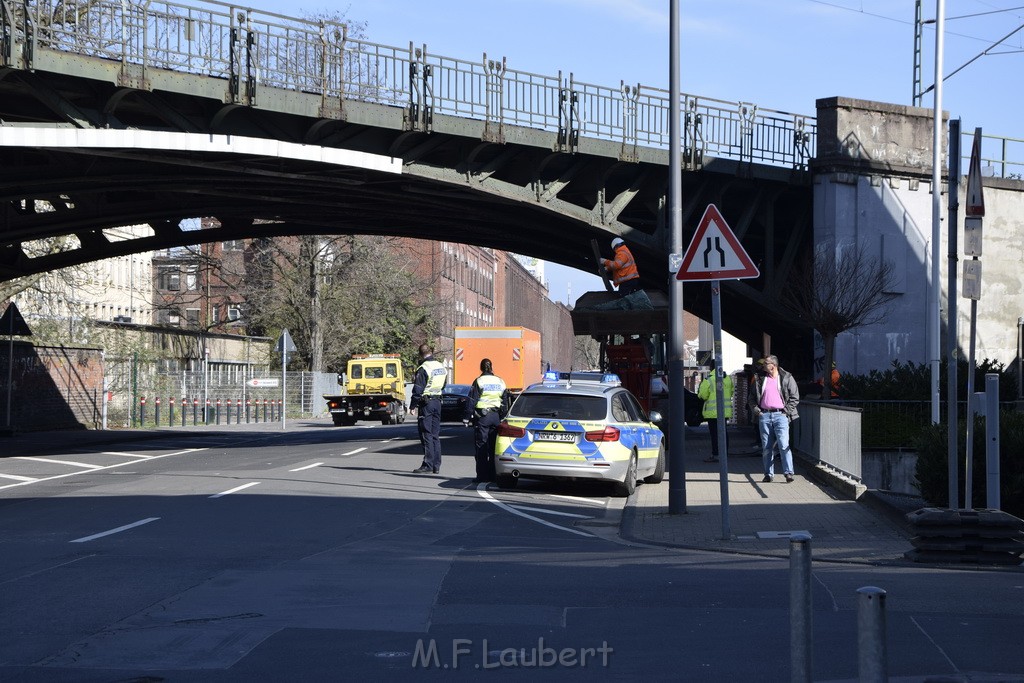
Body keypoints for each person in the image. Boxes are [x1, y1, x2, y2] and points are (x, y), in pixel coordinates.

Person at [747, 354, 800, 483]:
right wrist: (757, 411)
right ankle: (768, 474)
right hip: (764, 415)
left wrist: (785, 412)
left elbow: (795, 397)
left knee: (783, 444)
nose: (763, 365)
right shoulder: (759, 378)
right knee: (767, 447)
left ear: (773, 366)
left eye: (766, 363)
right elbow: (752, 398)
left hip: (780, 415)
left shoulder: (787, 377)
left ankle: (788, 473)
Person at [464, 358, 511, 483]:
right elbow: (505, 401)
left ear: (481, 368)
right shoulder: (500, 381)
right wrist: (503, 417)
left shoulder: (479, 381)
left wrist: (466, 417)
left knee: (481, 447)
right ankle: (493, 475)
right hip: (496, 417)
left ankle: (482, 476)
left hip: (483, 418)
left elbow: (472, 400)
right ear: (491, 367)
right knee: (493, 448)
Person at [410, 344, 447, 474]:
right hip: (437, 401)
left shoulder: (423, 368)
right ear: (430, 352)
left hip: (427, 404)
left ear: (420, 354)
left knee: (426, 433)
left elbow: (418, 389)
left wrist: (412, 405)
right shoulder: (440, 366)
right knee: (435, 435)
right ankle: (436, 465)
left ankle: (428, 464)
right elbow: (444, 385)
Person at [697, 361, 734, 462]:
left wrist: (700, 395)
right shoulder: (728, 379)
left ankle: (716, 454)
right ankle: (725, 453)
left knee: (714, 434)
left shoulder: (709, 380)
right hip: (725, 411)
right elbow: (731, 392)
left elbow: (703, 395)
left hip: (712, 413)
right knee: (724, 432)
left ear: (711, 367)